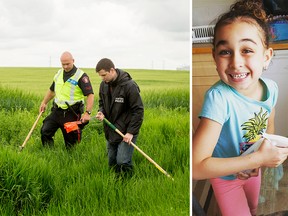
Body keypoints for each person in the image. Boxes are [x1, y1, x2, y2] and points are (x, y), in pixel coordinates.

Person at [192, 1, 288, 216]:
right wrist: (259, 159)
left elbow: (268, 125)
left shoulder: (271, 88)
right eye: (225, 51)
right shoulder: (218, 99)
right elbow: (197, 167)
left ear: (266, 56)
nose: (235, 62)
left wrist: (259, 159)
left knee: (252, 207)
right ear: (214, 58)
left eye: (247, 50)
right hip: (226, 179)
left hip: (253, 171)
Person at [95, 58, 144, 177]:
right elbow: (102, 103)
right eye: (100, 76)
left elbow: (138, 110)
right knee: (112, 161)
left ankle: (129, 182)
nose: (102, 78)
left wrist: (131, 132)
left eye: (104, 75)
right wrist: (101, 112)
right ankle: (115, 182)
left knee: (122, 161)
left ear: (112, 70)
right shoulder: (103, 85)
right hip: (110, 129)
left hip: (126, 132)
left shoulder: (129, 86)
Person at [39, 51, 94, 149]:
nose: (65, 66)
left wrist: (87, 113)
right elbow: (52, 90)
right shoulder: (59, 73)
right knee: (45, 131)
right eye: (63, 64)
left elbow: (90, 95)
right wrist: (44, 102)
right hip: (57, 111)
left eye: (67, 64)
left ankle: (71, 158)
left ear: (73, 61)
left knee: (71, 143)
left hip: (72, 113)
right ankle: (48, 153)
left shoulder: (81, 76)